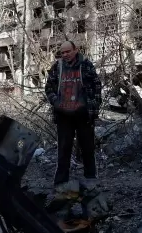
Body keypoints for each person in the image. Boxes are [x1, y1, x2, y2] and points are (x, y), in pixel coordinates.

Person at [44, 40, 102, 192]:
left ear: (76, 50)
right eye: (62, 52)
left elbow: (97, 86)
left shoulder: (86, 65)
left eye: (68, 51)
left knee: (87, 147)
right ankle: (60, 183)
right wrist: (56, 102)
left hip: (83, 115)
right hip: (64, 115)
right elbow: (48, 87)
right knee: (63, 149)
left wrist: (93, 108)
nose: (65, 55)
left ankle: (91, 180)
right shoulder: (57, 67)